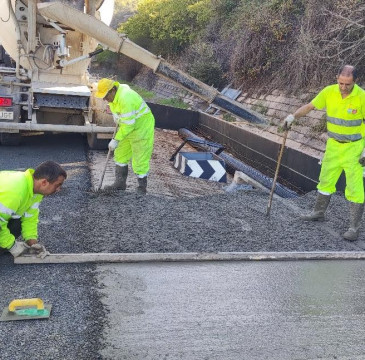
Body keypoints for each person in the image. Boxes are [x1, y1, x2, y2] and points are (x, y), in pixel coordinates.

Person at [281, 65, 365, 241]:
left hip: (354, 149)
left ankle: (353, 228)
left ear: (355, 82)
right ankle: (318, 212)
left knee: (355, 188)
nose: (343, 87)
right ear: (337, 78)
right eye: (341, 83)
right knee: (325, 180)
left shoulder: (362, 97)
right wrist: (292, 117)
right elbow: (310, 106)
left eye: (347, 84)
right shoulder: (329, 92)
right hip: (333, 146)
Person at [94, 78, 155, 195]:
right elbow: (124, 121)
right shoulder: (113, 98)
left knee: (140, 157)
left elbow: (129, 125)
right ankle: (120, 184)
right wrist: (116, 116)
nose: (104, 99)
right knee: (120, 153)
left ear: (112, 90)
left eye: (106, 96)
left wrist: (116, 139)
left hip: (141, 126)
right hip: (127, 126)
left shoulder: (126, 98)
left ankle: (142, 188)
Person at [0, 161, 67, 258]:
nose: (59, 189)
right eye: (57, 185)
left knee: (16, 223)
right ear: (44, 182)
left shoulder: (35, 191)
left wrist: (33, 243)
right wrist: (13, 246)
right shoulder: (16, 192)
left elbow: (30, 218)